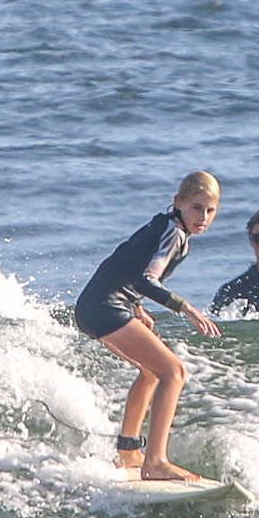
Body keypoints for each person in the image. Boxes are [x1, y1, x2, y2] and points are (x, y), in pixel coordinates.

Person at [73, 171, 223, 482]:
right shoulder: (173, 233)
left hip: (96, 306)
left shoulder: (165, 226)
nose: (203, 217)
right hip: (105, 308)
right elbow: (145, 279)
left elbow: (126, 264)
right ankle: (155, 461)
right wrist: (186, 307)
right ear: (178, 202)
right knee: (174, 372)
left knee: (152, 371)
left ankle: (129, 451)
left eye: (210, 210)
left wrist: (136, 306)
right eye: (196, 208)